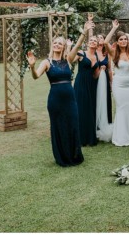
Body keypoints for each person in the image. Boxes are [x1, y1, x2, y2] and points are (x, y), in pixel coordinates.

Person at [27, 28, 90, 167]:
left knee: (72, 125)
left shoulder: (68, 60)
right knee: (59, 127)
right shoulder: (46, 62)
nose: (57, 45)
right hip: (55, 101)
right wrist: (32, 67)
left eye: (59, 43)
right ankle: (62, 157)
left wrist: (84, 32)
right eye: (55, 43)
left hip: (70, 99)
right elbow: (36, 76)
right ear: (52, 45)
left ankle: (74, 155)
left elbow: (78, 45)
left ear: (63, 47)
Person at [74, 27, 100, 147]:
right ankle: (80, 137)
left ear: (98, 44)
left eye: (95, 41)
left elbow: (96, 75)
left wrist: (100, 70)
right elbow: (70, 59)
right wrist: (70, 48)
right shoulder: (81, 54)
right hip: (81, 83)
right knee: (81, 108)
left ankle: (90, 136)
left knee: (90, 109)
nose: (93, 42)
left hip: (91, 84)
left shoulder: (97, 57)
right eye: (91, 40)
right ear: (88, 43)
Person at [94, 31, 113, 142]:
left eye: (102, 37)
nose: (100, 39)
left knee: (105, 100)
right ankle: (95, 125)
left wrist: (111, 82)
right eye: (98, 37)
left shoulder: (107, 53)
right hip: (95, 79)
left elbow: (110, 69)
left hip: (105, 79)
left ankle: (105, 123)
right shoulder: (93, 52)